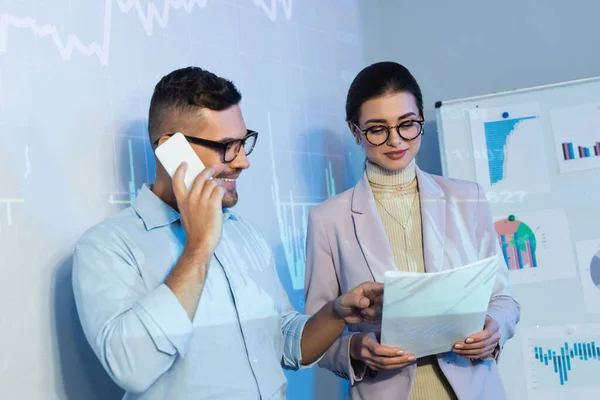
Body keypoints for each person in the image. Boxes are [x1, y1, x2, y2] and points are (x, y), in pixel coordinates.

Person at [72, 66, 384, 400]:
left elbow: (285, 344)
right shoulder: (106, 247)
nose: (242, 162)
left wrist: (337, 313)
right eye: (226, 146)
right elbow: (132, 368)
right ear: (169, 148)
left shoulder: (243, 233)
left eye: (243, 143)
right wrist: (199, 248)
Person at [303, 62, 520, 400]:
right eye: (377, 129)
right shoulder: (328, 219)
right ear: (355, 130)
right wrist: (357, 347)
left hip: (473, 387)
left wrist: (494, 328)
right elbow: (315, 334)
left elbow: (503, 298)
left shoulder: (467, 197)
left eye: (407, 125)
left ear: (419, 116)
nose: (395, 140)